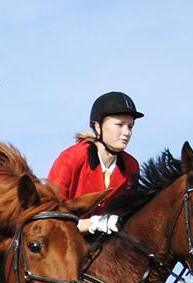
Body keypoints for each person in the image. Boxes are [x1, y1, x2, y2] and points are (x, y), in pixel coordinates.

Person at [47, 91, 143, 234]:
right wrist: (91, 224)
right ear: (98, 127)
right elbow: (50, 214)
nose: (127, 132)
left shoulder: (131, 166)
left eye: (130, 126)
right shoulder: (71, 158)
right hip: (63, 242)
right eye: (119, 124)